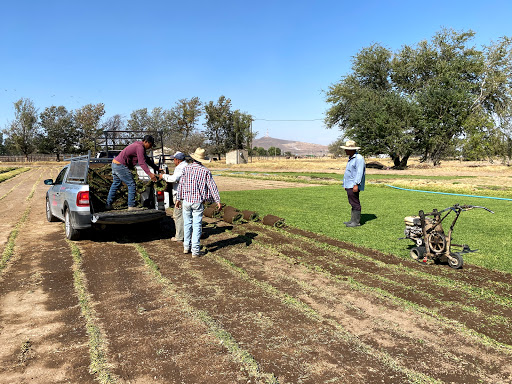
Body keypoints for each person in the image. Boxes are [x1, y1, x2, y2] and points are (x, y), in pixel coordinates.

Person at [175, 148, 221, 258]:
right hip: (197, 202)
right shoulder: (205, 171)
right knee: (197, 225)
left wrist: (178, 199)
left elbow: (181, 184)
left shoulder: (186, 168)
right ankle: (195, 251)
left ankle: (186, 247)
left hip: (186, 201)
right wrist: (217, 200)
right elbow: (212, 186)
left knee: (187, 223)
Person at [105, 135, 158, 210]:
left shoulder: (138, 146)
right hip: (120, 165)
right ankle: (131, 205)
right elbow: (142, 162)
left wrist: (157, 168)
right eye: (150, 145)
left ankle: (108, 204)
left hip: (115, 164)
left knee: (116, 183)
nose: (151, 147)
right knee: (131, 184)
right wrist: (150, 174)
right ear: (146, 142)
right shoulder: (140, 147)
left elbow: (147, 160)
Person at [159, 151, 188, 242]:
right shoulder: (187, 166)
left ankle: (179, 236)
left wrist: (163, 176)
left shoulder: (180, 167)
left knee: (178, 215)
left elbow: (175, 178)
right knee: (188, 216)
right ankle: (189, 235)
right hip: (188, 194)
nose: (173, 162)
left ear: (178, 160)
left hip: (181, 195)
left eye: (174, 160)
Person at [341, 139, 366, 227]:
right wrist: (345, 184)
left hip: (353, 184)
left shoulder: (358, 158)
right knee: (352, 202)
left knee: (355, 202)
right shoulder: (351, 158)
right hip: (349, 184)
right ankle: (352, 220)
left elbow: (359, 172)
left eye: (346, 149)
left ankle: (356, 222)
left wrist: (356, 184)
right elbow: (348, 173)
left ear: (351, 150)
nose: (345, 150)